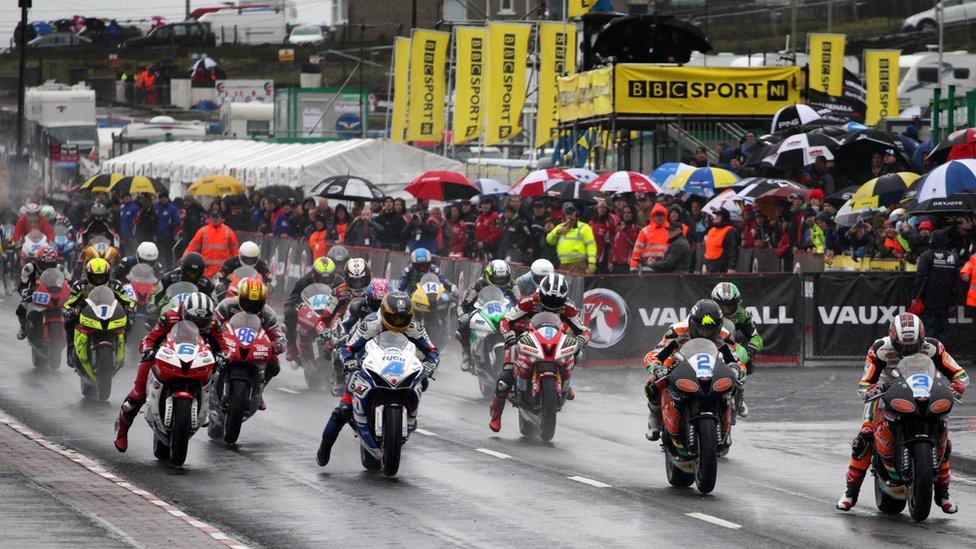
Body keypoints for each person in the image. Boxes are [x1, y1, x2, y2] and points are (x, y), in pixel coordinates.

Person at [836, 313, 968, 513]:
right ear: (894, 339)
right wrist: (870, 390)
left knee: (942, 433)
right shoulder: (879, 348)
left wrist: (958, 383)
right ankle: (850, 493)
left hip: (924, 392)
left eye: (913, 345)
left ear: (922, 339)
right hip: (887, 393)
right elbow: (865, 382)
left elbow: (960, 372)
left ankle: (943, 494)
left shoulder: (934, 347)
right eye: (903, 346)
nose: (908, 350)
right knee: (865, 436)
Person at [315, 292, 438, 466]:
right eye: (393, 318)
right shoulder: (370, 325)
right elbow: (348, 349)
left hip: (399, 365)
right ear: (384, 313)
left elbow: (432, 351)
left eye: (402, 319)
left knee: (421, 381)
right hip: (365, 363)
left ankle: (410, 416)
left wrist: (430, 364)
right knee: (343, 409)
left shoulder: (414, 327)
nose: (397, 323)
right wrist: (350, 362)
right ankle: (323, 451)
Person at [112, 293, 220, 452]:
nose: (198, 324)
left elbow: (224, 343)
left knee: (219, 372)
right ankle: (122, 433)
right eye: (193, 320)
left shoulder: (213, 323)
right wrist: (147, 350)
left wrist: (224, 355)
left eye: (202, 322)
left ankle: (212, 408)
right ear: (185, 313)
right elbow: (149, 339)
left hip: (199, 358)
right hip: (167, 356)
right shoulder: (169, 317)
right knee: (136, 397)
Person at [489, 273, 589, 432]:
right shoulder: (528, 302)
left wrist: (583, 339)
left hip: (554, 340)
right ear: (541, 293)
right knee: (504, 380)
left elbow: (583, 329)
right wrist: (509, 335)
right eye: (548, 300)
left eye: (557, 301)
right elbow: (505, 320)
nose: (552, 304)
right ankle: (496, 414)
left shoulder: (568, 307)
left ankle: (564, 381)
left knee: (576, 351)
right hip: (523, 339)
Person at [642, 299, 745, 443]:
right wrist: (658, 368)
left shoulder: (724, 336)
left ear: (718, 327)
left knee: (734, 382)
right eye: (701, 328)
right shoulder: (677, 331)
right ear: (691, 323)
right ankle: (654, 419)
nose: (704, 332)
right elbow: (655, 354)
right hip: (679, 364)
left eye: (710, 330)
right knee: (653, 383)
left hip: (713, 367)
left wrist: (736, 369)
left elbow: (735, 360)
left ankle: (726, 427)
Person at [214, 278, 286, 410]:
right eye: (248, 302)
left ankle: (259, 389)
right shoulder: (227, 306)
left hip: (254, 347)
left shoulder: (268, 314)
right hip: (227, 344)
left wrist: (279, 344)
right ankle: (206, 385)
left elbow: (279, 335)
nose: (251, 306)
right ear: (240, 296)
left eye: (256, 303)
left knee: (274, 364)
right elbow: (212, 323)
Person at [62, 258, 136, 369]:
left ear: (107, 275)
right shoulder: (80, 285)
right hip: (86, 315)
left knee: (128, 322)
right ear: (89, 275)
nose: (98, 279)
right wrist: (69, 310)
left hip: (110, 315)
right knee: (69, 321)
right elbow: (69, 303)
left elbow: (129, 301)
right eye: (95, 276)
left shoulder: (115, 285)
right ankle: (71, 348)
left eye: (102, 276)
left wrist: (130, 309)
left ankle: (121, 346)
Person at [711, 282, 763, 417]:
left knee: (744, 357)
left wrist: (750, 348)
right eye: (723, 307)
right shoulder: (706, 312)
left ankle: (739, 394)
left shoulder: (742, 314)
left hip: (729, 347)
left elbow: (756, 338)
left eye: (730, 306)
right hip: (708, 346)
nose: (727, 311)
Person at [456, 259, 516, 372]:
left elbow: (517, 302)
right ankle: (466, 353)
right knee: (464, 324)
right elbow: (466, 303)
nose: (501, 281)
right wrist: (465, 312)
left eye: (503, 278)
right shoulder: (479, 284)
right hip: (483, 310)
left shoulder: (512, 285)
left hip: (504, 312)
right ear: (489, 276)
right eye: (498, 278)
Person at [283, 257, 339, 363]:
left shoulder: (339, 281)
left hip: (330, 309)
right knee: (290, 314)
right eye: (321, 278)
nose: (324, 281)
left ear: (333, 275)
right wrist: (291, 307)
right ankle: (292, 347)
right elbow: (291, 300)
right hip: (311, 309)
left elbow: (346, 297)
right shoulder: (303, 281)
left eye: (327, 278)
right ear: (314, 274)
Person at [912, 230, 959, 341]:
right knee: (943, 327)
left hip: (929, 298)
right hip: (945, 299)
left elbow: (920, 278)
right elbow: (955, 281)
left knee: (929, 326)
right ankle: (945, 353)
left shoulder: (927, 256)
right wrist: (954, 301)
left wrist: (915, 297)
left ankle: (930, 352)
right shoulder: (952, 258)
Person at [15, 245, 69, 339]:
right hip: (34, 292)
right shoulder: (29, 268)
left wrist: (70, 290)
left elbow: (71, 281)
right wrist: (25, 291)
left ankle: (68, 330)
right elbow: (21, 285)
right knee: (22, 307)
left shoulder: (61, 269)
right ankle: (23, 327)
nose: (47, 267)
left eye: (51, 265)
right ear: (38, 261)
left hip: (55, 291)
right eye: (45, 264)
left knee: (70, 309)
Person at [184, 210, 239, 278]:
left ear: (221, 218)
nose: (215, 219)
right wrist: (184, 258)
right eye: (213, 217)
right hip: (205, 273)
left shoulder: (229, 232)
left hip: (222, 273)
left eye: (217, 217)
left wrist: (238, 266)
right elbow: (192, 247)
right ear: (210, 218)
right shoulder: (202, 231)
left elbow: (235, 252)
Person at [546, 202, 597, 274]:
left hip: (578, 264)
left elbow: (591, 245)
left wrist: (592, 262)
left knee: (576, 285)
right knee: (563, 285)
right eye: (567, 214)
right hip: (563, 263)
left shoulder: (584, 227)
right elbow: (549, 240)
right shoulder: (560, 226)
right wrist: (557, 232)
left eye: (571, 213)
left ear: (576, 214)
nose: (569, 216)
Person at [629, 203, 670, 271]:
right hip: (647, 267)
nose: (659, 217)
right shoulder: (645, 231)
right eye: (657, 215)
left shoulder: (671, 230)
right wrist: (633, 266)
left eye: (661, 215)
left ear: (665, 216)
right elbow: (637, 251)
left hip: (665, 267)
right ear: (653, 216)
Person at [703, 208, 739, 273]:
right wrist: (704, 262)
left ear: (724, 217)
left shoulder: (730, 231)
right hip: (709, 265)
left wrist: (731, 267)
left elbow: (733, 250)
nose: (716, 217)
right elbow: (708, 249)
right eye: (716, 215)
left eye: (719, 215)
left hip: (721, 267)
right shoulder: (711, 230)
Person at [154, 192, 181, 269]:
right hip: (157, 236)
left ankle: (167, 268)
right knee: (158, 254)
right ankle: (158, 268)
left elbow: (178, 221)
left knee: (167, 255)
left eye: (165, 197)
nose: (163, 199)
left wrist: (169, 226)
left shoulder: (172, 208)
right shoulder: (156, 208)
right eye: (162, 197)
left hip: (168, 236)